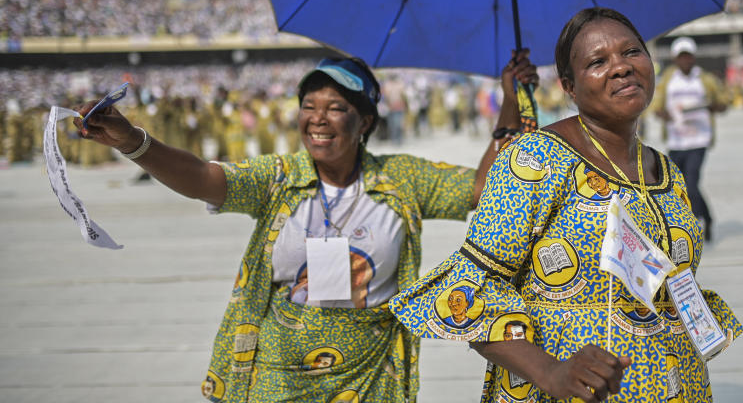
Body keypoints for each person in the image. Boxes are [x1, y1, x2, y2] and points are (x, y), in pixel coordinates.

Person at [73, 53, 538, 403]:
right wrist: (134, 143)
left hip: (369, 378)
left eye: (335, 107)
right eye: (308, 105)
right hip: (276, 378)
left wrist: (511, 104)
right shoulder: (278, 177)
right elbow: (201, 179)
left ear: (366, 121)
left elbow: (483, 188)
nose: (317, 118)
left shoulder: (403, 178)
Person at [389, 8, 741, 403]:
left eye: (631, 52)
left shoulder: (666, 171)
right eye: (598, 61)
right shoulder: (537, 159)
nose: (621, 68)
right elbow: (470, 291)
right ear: (570, 88)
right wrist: (552, 372)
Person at [650, 36, 727, 243]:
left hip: (699, 139)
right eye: (681, 57)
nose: (685, 61)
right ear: (675, 59)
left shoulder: (704, 79)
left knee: (691, 183)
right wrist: (664, 114)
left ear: (693, 58)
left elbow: (722, 103)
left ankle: (698, 221)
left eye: (688, 56)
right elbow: (657, 106)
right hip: (676, 141)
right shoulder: (668, 80)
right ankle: (706, 218)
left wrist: (713, 106)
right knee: (678, 186)